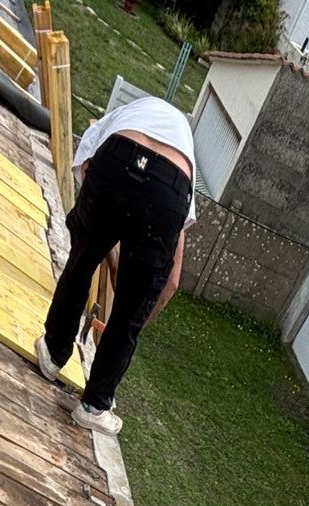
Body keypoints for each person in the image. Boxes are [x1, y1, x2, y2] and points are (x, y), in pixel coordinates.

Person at [35, 95, 196, 434]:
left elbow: (88, 189)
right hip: (167, 189)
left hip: (116, 155)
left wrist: (100, 251)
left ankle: (52, 354)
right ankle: (94, 407)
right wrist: (133, 320)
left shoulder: (118, 120)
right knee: (129, 311)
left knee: (80, 264)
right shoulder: (185, 167)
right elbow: (171, 281)